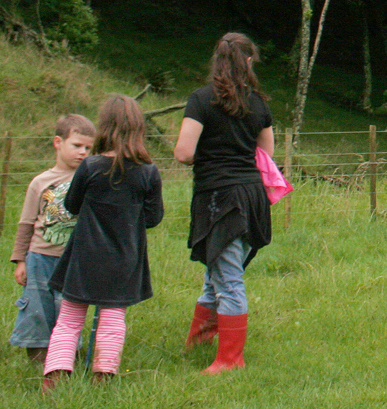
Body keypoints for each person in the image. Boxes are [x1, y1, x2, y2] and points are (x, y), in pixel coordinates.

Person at [41, 96, 163, 392]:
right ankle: (103, 376)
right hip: (124, 259)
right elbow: (153, 217)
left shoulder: (90, 166)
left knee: (69, 318)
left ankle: (54, 377)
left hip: (85, 256)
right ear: (138, 128)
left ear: (104, 127)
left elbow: (72, 205)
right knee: (112, 319)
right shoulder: (148, 171)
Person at [175, 32, 274, 374]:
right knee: (217, 270)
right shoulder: (260, 104)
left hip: (220, 198)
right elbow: (267, 154)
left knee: (228, 278)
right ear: (247, 63)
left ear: (217, 61)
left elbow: (184, 153)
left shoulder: (201, 100)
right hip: (252, 197)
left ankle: (230, 360)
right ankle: (199, 340)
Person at [9, 115, 95, 365]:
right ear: (58, 142)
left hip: (73, 260)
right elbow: (26, 223)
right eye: (77, 145)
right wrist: (20, 260)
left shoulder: (90, 180)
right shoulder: (40, 182)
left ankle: (69, 358)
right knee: (37, 309)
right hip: (39, 258)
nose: (82, 152)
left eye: (88, 148)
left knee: (68, 310)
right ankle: (38, 359)